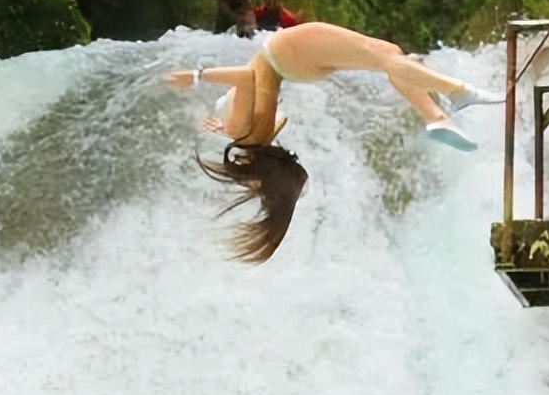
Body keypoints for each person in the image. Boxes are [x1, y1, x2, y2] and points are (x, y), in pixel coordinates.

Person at [164, 22, 502, 262]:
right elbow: (248, 76)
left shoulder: (258, 138)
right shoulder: (247, 135)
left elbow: (278, 117)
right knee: (384, 56)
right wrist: (196, 77)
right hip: (285, 53)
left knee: (388, 53)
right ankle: (458, 92)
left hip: (292, 66)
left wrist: (230, 133)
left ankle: (436, 117)